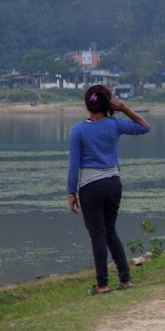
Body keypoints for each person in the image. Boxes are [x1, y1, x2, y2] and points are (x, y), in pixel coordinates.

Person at [66, 84, 150, 295]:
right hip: (113, 183)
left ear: (87, 105)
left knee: (97, 235)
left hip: (91, 186)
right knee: (110, 231)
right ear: (107, 104)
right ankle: (125, 280)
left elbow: (74, 164)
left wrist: (71, 191)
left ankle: (102, 284)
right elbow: (144, 126)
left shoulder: (78, 130)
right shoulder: (114, 124)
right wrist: (124, 109)